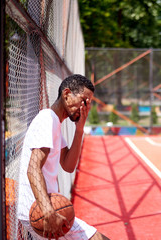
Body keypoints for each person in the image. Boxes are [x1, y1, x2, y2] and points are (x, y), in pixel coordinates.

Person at [17, 74, 110, 240]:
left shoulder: (54, 123)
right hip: (42, 208)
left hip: (43, 206)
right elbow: (33, 168)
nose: (85, 107)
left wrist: (80, 129)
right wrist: (48, 211)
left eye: (88, 103)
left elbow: (68, 165)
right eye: (83, 100)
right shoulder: (47, 119)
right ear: (66, 94)